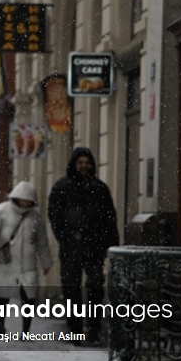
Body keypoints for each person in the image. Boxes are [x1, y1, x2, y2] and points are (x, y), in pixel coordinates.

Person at [47, 147, 119, 345]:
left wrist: (111, 244)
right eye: (80, 162)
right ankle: (74, 330)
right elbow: (54, 216)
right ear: (74, 163)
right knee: (71, 289)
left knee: (95, 288)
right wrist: (65, 237)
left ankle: (93, 330)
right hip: (71, 248)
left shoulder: (99, 188)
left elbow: (109, 217)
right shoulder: (62, 187)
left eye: (87, 162)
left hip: (94, 247)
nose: (84, 166)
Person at [0, 181, 52, 332]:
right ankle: (0, 326)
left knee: (29, 297)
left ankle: (26, 330)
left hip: (27, 263)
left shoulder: (35, 217)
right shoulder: (1, 211)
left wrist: (46, 262)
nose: (25, 202)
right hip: (5, 261)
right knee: (2, 296)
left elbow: (42, 241)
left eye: (28, 200)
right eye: (22, 199)